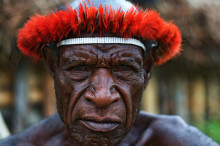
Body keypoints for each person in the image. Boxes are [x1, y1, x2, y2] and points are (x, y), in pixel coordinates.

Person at [0, 0, 219, 145]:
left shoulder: (180, 142)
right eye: (79, 68)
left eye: (124, 68)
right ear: (53, 67)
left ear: (147, 69)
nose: (102, 96)